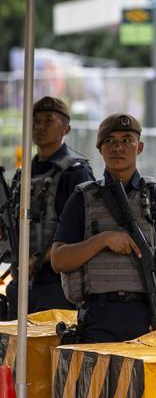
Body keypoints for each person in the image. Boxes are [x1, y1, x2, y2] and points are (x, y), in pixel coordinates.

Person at [51, 113, 156, 342]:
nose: (118, 147)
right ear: (100, 148)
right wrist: (102, 240)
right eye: (110, 141)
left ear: (140, 147)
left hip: (149, 316)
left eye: (126, 140)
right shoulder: (82, 198)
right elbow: (58, 260)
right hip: (99, 319)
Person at [5, 96, 94, 319]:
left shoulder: (75, 172)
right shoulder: (23, 172)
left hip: (59, 285)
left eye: (48, 121)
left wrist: (38, 259)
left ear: (66, 128)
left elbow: (79, 230)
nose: (39, 127)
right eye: (35, 121)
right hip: (22, 281)